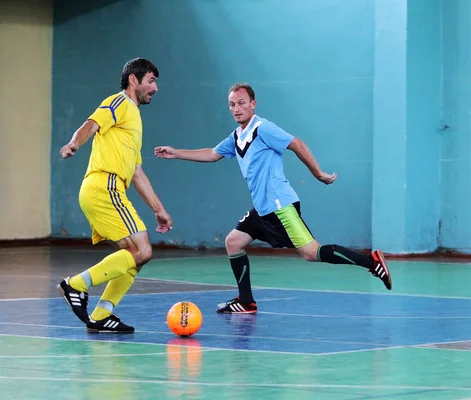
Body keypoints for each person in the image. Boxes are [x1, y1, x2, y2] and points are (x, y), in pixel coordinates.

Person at [154, 83, 391, 314]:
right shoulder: (237, 136)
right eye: (232, 104)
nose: (236, 108)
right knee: (233, 242)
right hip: (262, 209)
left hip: (280, 206)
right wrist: (176, 153)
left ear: (253, 104)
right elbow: (212, 154)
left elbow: (296, 144)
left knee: (312, 253)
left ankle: (372, 262)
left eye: (241, 103)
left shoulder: (263, 128)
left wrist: (318, 173)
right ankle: (246, 301)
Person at [57, 58, 173, 333]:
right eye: (151, 80)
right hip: (104, 186)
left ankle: (101, 314)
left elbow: (136, 171)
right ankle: (75, 284)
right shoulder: (120, 102)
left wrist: (158, 208)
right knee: (142, 250)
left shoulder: (134, 118)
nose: (155, 87)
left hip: (108, 189)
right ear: (134, 80)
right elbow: (91, 124)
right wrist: (74, 142)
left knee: (135, 255)